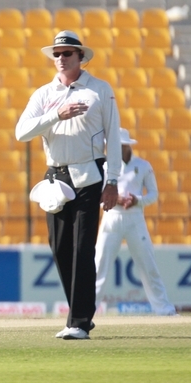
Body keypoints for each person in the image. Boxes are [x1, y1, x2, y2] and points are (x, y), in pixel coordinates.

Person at [16, 30, 121, 340]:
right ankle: (79, 316)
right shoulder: (43, 94)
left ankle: (78, 321)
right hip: (56, 179)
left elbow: (112, 138)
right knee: (60, 248)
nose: (60, 59)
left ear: (80, 57)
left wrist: (112, 181)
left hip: (90, 174)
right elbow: (21, 132)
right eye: (57, 54)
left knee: (82, 247)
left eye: (67, 54)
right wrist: (55, 115)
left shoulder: (99, 90)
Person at [94, 128, 177, 316]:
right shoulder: (106, 167)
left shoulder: (143, 166)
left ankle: (164, 309)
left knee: (148, 265)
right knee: (99, 266)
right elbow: (98, 198)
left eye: (118, 146)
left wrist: (137, 200)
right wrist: (116, 200)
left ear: (126, 146)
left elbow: (154, 194)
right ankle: (86, 313)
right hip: (111, 219)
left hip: (135, 219)